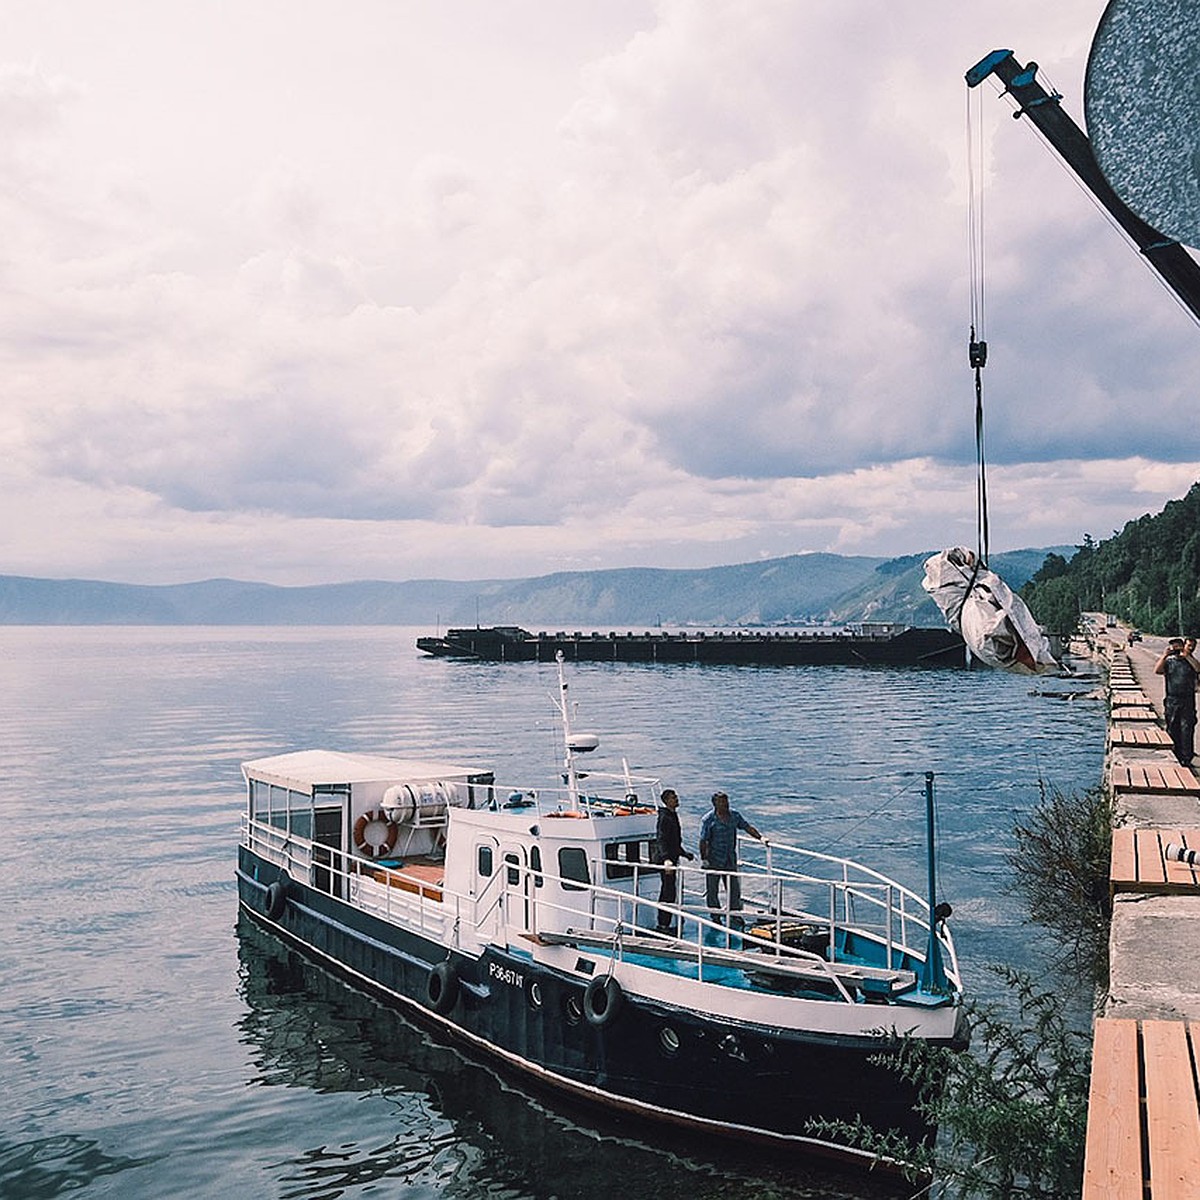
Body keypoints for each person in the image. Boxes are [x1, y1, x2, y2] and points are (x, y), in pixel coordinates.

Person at [698, 791, 763, 925]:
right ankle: (715, 916)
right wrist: (704, 859)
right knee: (712, 890)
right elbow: (703, 841)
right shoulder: (708, 819)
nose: (725, 804)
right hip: (714, 859)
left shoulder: (734, 815)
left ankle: (735, 914)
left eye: (726, 801)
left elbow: (747, 827)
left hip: (730, 858)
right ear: (715, 804)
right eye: (721, 802)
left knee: (734, 888)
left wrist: (761, 838)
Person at [1154, 637, 1200, 766]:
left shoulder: (1191, 662)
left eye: (1192, 646)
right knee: (1172, 728)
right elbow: (1157, 670)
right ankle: (1175, 754)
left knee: (1187, 729)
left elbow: (1198, 669)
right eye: (1189, 645)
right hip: (1172, 700)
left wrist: (1187, 656)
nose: (1191, 648)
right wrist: (1164, 656)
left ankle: (1186, 758)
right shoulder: (1170, 661)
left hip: (1187, 700)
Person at [654, 789, 693, 932]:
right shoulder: (664, 817)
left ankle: (667, 922)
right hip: (667, 861)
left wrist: (684, 853)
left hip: (672, 858)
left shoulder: (672, 815)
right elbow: (661, 839)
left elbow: (674, 842)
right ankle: (663, 924)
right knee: (667, 892)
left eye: (676, 796)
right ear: (666, 801)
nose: (676, 799)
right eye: (673, 797)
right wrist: (666, 859)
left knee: (671, 891)